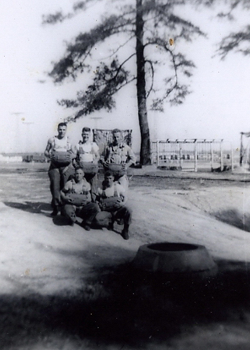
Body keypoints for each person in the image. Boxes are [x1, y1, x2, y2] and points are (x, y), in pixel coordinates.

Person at [44, 122, 75, 216]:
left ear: (66, 130)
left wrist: (69, 157)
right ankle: (56, 207)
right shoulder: (52, 140)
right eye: (60, 129)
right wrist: (50, 155)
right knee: (54, 187)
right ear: (57, 130)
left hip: (66, 167)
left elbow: (74, 153)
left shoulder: (69, 141)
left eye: (64, 129)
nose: (62, 131)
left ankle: (65, 208)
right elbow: (45, 151)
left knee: (65, 187)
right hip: (54, 166)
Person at [95, 171, 132, 240]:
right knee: (97, 219)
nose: (108, 180)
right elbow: (96, 199)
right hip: (107, 211)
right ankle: (109, 222)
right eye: (107, 178)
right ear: (104, 179)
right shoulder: (101, 188)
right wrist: (98, 204)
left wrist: (122, 203)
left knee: (128, 210)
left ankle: (125, 230)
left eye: (110, 178)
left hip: (117, 211)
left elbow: (125, 197)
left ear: (113, 178)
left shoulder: (117, 187)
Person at [73, 127, 100, 200]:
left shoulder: (93, 145)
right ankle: (83, 202)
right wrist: (76, 166)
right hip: (82, 170)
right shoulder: (78, 145)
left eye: (87, 135)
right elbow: (74, 158)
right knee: (82, 187)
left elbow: (98, 156)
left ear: (90, 135)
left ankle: (94, 203)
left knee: (93, 187)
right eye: (84, 134)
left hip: (91, 169)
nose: (86, 136)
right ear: (82, 135)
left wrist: (95, 162)